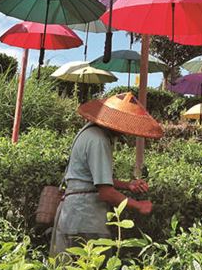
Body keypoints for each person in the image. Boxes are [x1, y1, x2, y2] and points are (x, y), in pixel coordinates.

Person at [51, 92, 163, 255]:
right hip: (86, 219)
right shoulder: (98, 141)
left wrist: (127, 185)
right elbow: (106, 193)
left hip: (73, 216)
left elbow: (92, 179)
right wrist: (139, 205)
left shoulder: (88, 132)